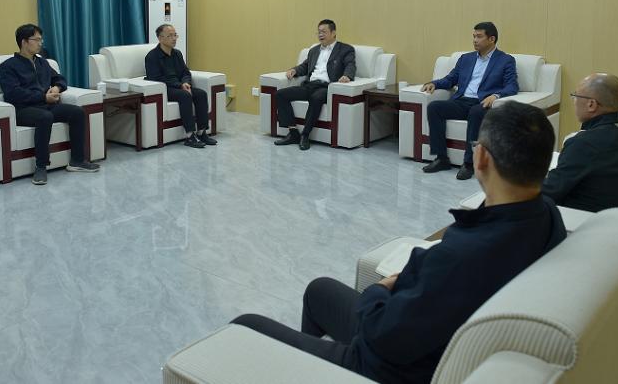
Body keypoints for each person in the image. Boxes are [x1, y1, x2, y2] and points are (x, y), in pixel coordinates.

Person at [232, 102, 566, 384]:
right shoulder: (545, 214)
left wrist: (380, 289)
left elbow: (382, 335)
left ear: (482, 158)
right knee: (319, 291)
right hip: (426, 333)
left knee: (244, 327)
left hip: (386, 367)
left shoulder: (462, 258)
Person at [0, 24, 100, 185]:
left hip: (46, 105)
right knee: (45, 117)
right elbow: (13, 93)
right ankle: (41, 166)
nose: (40, 43)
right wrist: (43, 97)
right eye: (36, 39)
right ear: (24, 42)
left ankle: (77, 160)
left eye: (41, 40)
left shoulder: (42, 63)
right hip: (23, 110)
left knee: (77, 112)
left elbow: (60, 79)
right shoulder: (8, 66)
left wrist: (57, 87)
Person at [420, 22, 518, 180]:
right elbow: (451, 79)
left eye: (479, 36)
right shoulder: (466, 58)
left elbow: (512, 86)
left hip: (482, 103)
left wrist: (496, 96)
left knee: (475, 112)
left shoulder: (505, 60)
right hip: (461, 101)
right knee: (434, 107)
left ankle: (468, 163)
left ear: (492, 39)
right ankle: (441, 158)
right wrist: (434, 84)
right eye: (473, 36)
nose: (475, 40)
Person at [542, 73, 618, 211]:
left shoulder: (583, 144)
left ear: (591, 104)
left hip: (577, 217)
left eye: (575, 96)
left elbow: (549, 192)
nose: (574, 101)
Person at [273, 19, 356, 150]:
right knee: (280, 94)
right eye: (318, 32)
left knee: (316, 98)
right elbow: (305, 66)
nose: (320, 35)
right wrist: (294, 70)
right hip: (309, 85)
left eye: (324, 32)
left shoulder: (345, 49)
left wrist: (347, 76)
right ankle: (293, 133)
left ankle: (305, 135)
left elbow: (350, 65)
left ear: (333, 33)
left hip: (326, 87)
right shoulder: (314, 50)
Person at [145, 24, 217, 149]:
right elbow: (156, 78)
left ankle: (201, 132)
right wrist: (180, 85)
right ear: (160, 38)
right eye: (170, 36)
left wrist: (186, 83)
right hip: (165, 89)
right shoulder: (152, 56)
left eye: (175, 35)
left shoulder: (177, 53)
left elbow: (185, 72)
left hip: (180, 86)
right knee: (185, 96)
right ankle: (189, 136)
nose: (174, 38)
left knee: (201, 94)